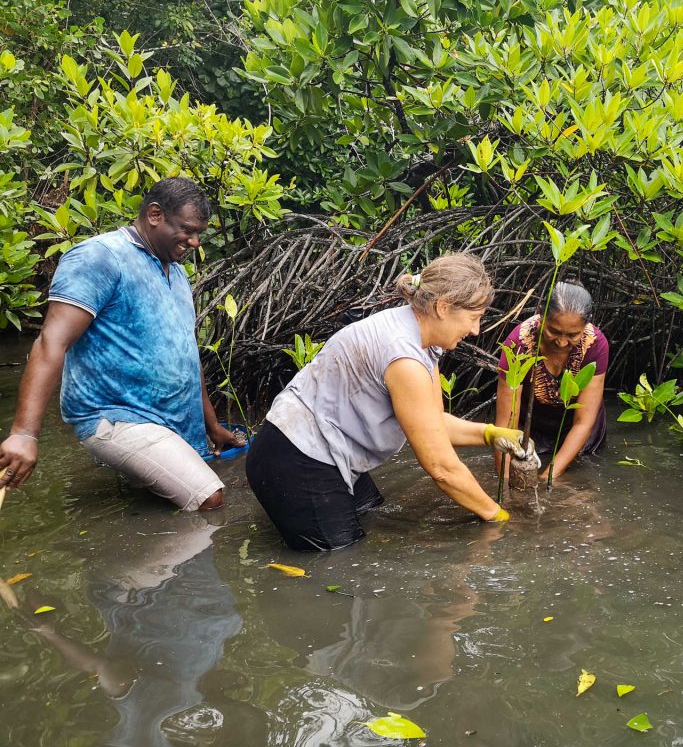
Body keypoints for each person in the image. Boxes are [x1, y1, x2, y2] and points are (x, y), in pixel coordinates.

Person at [245, 253, 539, 551]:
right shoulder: (405, 358)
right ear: (443, 307)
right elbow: (441, 467)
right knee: (341, 563)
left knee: (372, 514)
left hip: (323, 450)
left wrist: (490, 434)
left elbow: (433, 422)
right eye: (473, 318)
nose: (475, 330)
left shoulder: (422, 339)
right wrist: (498, 518)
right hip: (295, 458)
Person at [0, 178, 244, 511]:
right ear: (155, 214)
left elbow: (186, 353)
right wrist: (25, 434)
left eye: (199, 232)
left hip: (167, 420)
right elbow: (50, 343)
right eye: (187, 230)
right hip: (116, 416)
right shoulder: (100, 257)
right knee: (208, 499)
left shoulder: (176, 272)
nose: (195, 241)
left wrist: (212, 425)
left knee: (160, 505)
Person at [494, 281, 608, 480]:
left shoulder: (595, 346)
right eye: (554, 331)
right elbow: (506, 425)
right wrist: (504, 484)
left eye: (573, 335)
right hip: (532, 427)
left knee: (581, 483)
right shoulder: (518, 344)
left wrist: (549, 478)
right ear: (541, 315)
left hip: (579, 430)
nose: (562, 342)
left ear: (586, 325)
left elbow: (583, 423)